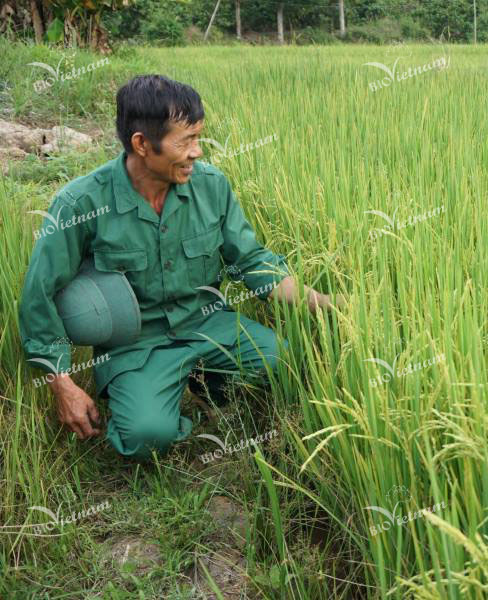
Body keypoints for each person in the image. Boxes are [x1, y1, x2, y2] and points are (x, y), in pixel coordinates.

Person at [18, 74, 342, 461]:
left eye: (198, 138)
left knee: (284, 362)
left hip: (206, 321)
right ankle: (155, 399)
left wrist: (322, 301)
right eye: (185, 141)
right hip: (137, 345)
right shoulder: (81, 203)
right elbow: (39, 295)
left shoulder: (211, 186)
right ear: (142, 144)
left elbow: (252, 260)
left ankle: (209, 386)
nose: (197, 152)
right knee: (146, 438)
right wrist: (63, 385)